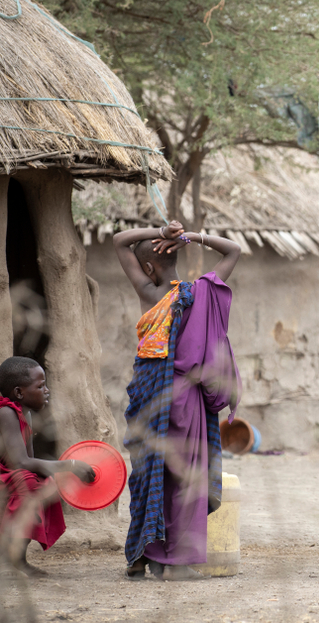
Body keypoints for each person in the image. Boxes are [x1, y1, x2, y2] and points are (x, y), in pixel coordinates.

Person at [113, 221, 242, 580]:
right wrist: (189, 237)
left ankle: (141, 554)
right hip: (188, 399)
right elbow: (233, 250)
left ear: (148, 268)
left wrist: (159, 230)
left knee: (148, 472)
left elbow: (119, 241)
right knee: (187, 477)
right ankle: (175, 562)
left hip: (150, 394)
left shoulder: (147, 291)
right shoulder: (201, 292)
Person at [0, 357, 95, 576]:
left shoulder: (27, 414)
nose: (47, 390)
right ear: (19, 392)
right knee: (29, 483)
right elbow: (21, 462)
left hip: (9, 476)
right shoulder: (6, 412)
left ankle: (16, 557)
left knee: (42, 481)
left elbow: (30, 461)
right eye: (40, 386)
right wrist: (69, 465)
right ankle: (12, 558)